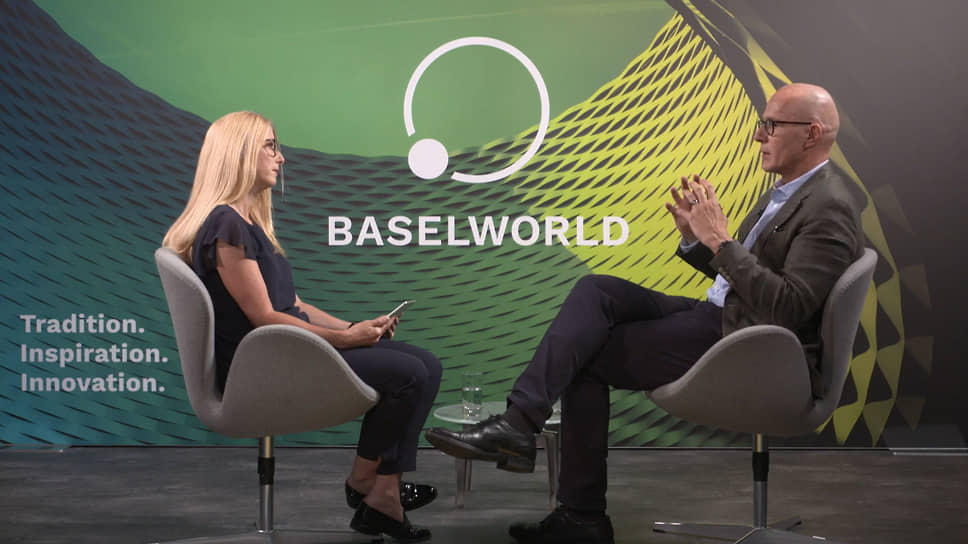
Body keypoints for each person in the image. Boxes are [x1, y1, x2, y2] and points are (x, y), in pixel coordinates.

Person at [425, 83, 863, 544]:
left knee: (585, 354)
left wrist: (719, 241)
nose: (758, 135)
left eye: (770, 125)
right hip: (726, 314)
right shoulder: (788, 192)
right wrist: (696, 240)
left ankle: (575, 507)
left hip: (750, 345)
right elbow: (748, 278)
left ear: (811, 133)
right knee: (597, 291)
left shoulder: (828, 206)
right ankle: (524, 434)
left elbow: (788, 307)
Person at [163, 111, 441, 543]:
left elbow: (294, 306)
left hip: (289, 349)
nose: (281, 158)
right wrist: (345, 339)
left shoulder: (249, 224)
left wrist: (355, 326)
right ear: (240, 152)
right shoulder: (225, 224)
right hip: (266, 366)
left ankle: (377, 490)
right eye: (271, 147)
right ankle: (372, 489)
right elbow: (265, 318)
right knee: (409, 374)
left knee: (427, 364)